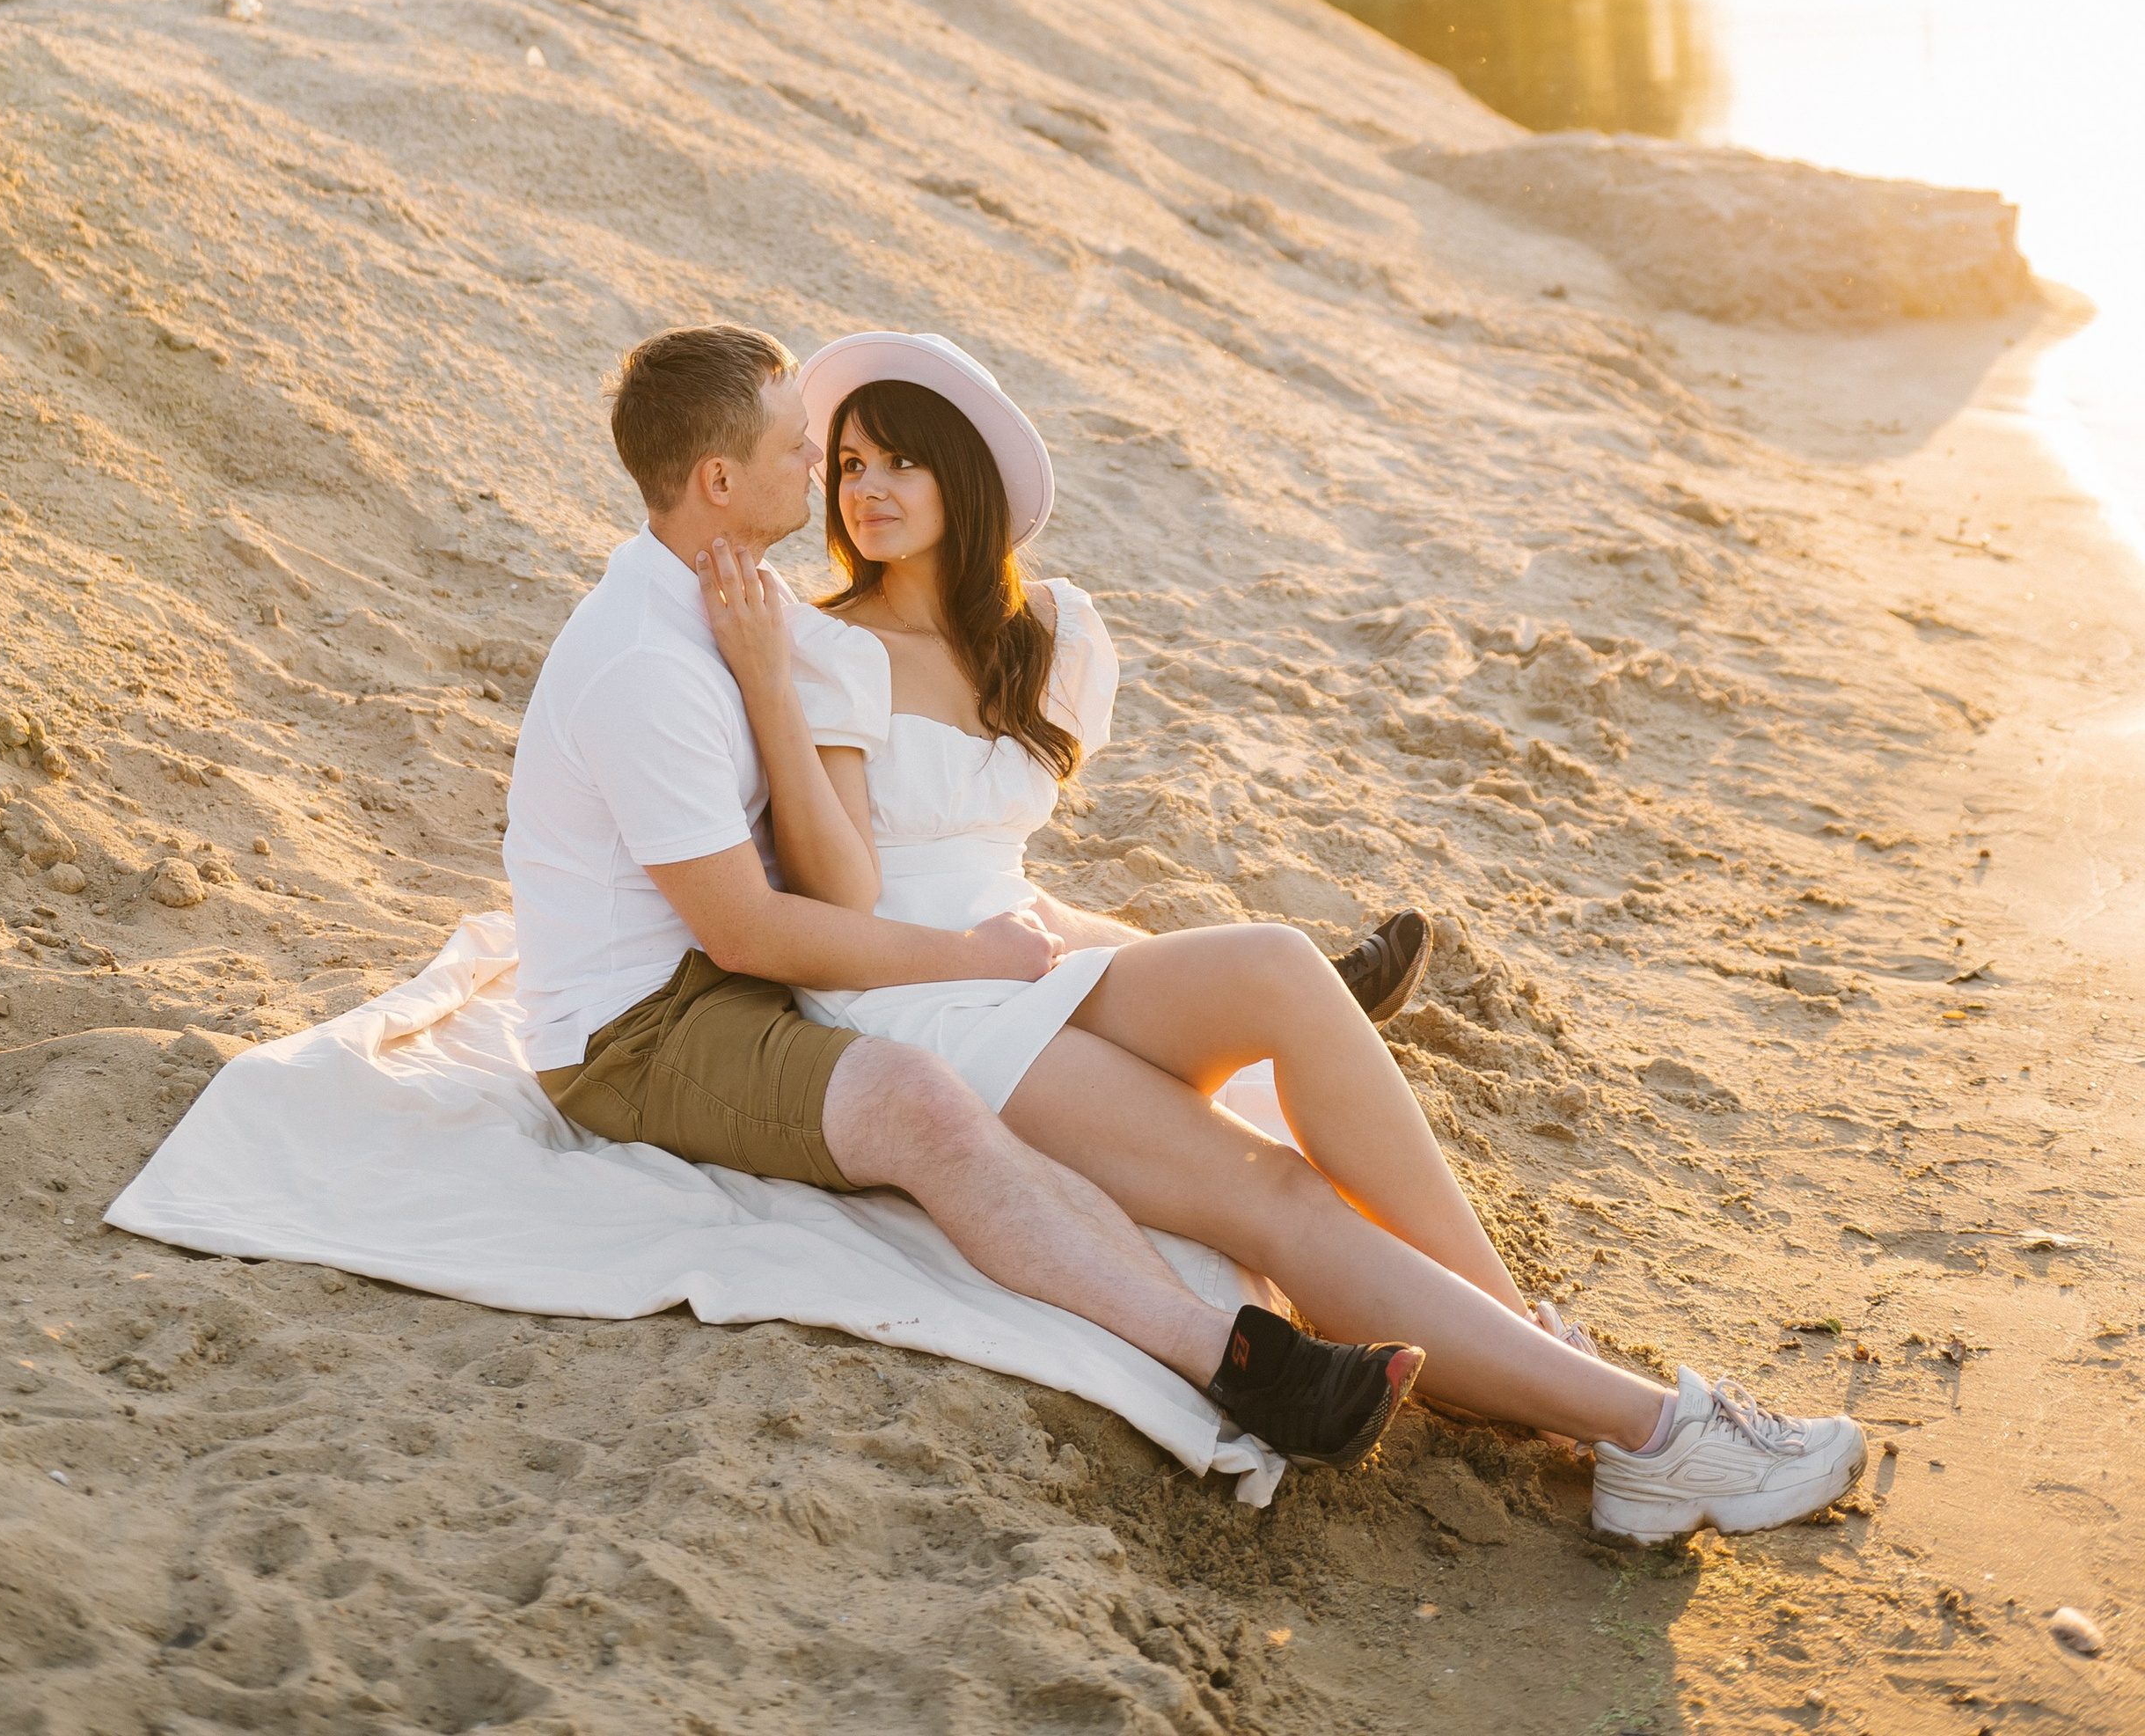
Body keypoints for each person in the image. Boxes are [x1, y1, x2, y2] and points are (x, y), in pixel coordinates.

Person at [508, 323, 1866, 1537]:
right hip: (923, 999)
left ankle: (1515, 1332)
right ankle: (1648, 1434)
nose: (848, 485)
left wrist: (1050, 938)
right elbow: (821, 900)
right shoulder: (790, 644)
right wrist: (789, 702)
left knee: (1277, 962)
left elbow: (971, 861)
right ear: (735, 477)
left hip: (1014, 951)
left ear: (963, 483)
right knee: (1266, 1191)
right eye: (833, 458)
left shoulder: (999, 632)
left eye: (885, 460)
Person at [502, 324, 1417, 1472]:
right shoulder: (649, 660)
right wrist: (968, 961)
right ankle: (1234, 1358)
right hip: (640, 1027)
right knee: (923, 1103)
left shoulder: (735, 593)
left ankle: (1266, 1002)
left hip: (734, 961)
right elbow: (745, 932)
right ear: (720, 482)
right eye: (803, 449)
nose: (824, 467)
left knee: (1033, 947)